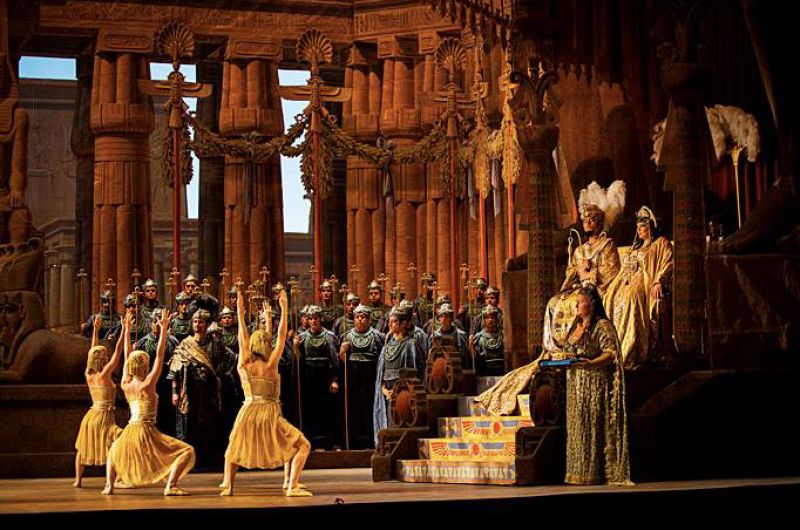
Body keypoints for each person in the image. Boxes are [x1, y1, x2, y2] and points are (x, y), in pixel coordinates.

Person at [220, 287, 312, 497]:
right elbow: (281, 337)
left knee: (234, 447)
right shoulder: (271, 365)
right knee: (302, 445)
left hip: (248, 411)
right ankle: (292, 486)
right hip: (269, 413)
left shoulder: (244, 365)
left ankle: (229, 485)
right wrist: (285, 307)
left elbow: (242, 337)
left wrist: (240, 312)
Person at [103, 309, 196, 496]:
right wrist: (164, 332)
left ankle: (109, 486)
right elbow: (160, 358)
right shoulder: (147, 384)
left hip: (130, 429)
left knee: (114, 452)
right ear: (145, 366)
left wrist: (126, 330)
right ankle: (171, 486)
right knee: (186, 451)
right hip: (146, 430)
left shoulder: (125, 383)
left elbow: (127, 356)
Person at [543, 183, 624, 353]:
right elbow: (570, 272)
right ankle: (557, 348)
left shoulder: (607, 245)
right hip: (578, 288)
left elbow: (611, 272)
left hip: (596, 289)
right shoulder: (580, 249)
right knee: (553, 303)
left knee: (579, 304)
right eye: (585, 219)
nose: (587, 222)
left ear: (599, 223)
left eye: (591, 219)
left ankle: (584, 345)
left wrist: (591, 271)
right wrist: (579, 270)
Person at [562, 287, 631, 486]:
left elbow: (610, 353)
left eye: (581, 302)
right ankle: (578, 472)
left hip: (594, 381)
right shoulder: (575, 325)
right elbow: (568, 348)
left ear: (591, 304)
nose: (577, 305)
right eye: (577, 302)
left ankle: (596, 472)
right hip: (576, 383)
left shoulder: (602, 326)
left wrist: (592, 363)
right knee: (578, 427)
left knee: (592, 425)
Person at [603, 206, 674, 369]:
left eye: (642, 226)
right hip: (627, 280)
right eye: (638, 227)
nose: (639, 230)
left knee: (631, 299)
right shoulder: (634, 248)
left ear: (650, 227)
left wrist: (658, 281)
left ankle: (632, 349)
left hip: (645, 281)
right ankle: (613, 351)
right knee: (610, 298)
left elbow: (668, 263)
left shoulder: (661, 244)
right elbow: (624, 269)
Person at [168, 309, 235, 469]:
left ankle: (210, 460)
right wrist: (175, 392)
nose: (197, 325)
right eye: (195, 322)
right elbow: (174, 370)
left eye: (201, 322)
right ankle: (192, 461)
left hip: (210, 390)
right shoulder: (186, 345)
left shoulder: (215, 344)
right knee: (191, 425)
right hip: (191, 390)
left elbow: (230, 359)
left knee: (210, 424)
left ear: (206, 324)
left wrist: (219, 374)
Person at [72, 314, 126, 487]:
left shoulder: (89, 374)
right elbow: (118, 353)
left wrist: (95, 330)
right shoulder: (104, 374)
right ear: (102, 359)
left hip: (90, 417)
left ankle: (78, 480)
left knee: (82, 448)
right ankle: (116, 479)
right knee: (117, 445)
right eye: (104, 355)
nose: (107, 356)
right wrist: (124, 330)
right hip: (103, 417)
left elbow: (92, 350)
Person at [293, 305, 340, 449]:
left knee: (327, 410)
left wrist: (334, 380)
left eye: (316, 318)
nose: (313, 321)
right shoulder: (302, 337)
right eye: (310, 319)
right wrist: (295, 347)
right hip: (309, 377)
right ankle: (310, 441)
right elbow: (298, 360)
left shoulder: (329, 336)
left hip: (325, 376)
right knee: (310, 409)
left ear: (320, 319)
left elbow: (334, 359)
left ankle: (329, 442)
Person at [339, 304, 385, 449]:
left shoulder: (377, 336)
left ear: (369, 319)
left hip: (371, 377)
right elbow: (341, 362)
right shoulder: (346, 336)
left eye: (363, 317)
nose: (360, 319)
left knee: (370, 408)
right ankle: (353, 442)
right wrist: (342, 352)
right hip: (353, 378)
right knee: (353, 408)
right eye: (357, 317)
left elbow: (382, 359)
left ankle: (371, 440)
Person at [373, 304, 419, 445]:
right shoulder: (387, 346)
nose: (390, 324)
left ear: (403, 324)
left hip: (402, 391)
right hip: (387, 391)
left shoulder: (410, 344)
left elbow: (413, 371)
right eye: (390, 321)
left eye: (394, 321)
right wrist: (383, 388)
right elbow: (381, 371)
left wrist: (399, 389)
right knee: (388, 419)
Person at [135, 316, 181, 436]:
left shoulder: (173, 341)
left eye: (159, 321)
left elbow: (177, 363)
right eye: (154, 321)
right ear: (150, 323)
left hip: (167, 382)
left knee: (168, 414)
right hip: (149, 383)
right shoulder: (143, 342)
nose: (157, 324)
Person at [471, 305, 505, 376]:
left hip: (502, 373)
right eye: (487, 317)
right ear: (483, 320)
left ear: (496, 319)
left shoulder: (503, 336)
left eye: (492, 317)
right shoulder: (478, 338)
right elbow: (475, 359)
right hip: (484, 374)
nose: (490, 320)